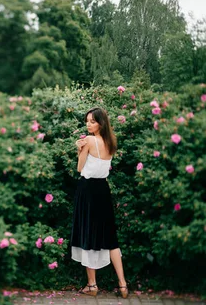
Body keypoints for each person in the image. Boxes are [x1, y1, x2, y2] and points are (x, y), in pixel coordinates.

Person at [70, 107, 128, 298]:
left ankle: (92, 285)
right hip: (103, 189)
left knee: (88, 233)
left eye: (92, 121)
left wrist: (80, 149)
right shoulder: (110, 142)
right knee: (110, 237)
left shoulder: (88, 140)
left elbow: (80, 168)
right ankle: (123, 285)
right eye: (87, 121)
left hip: (88, 190)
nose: (88, 124)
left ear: (101, 123)